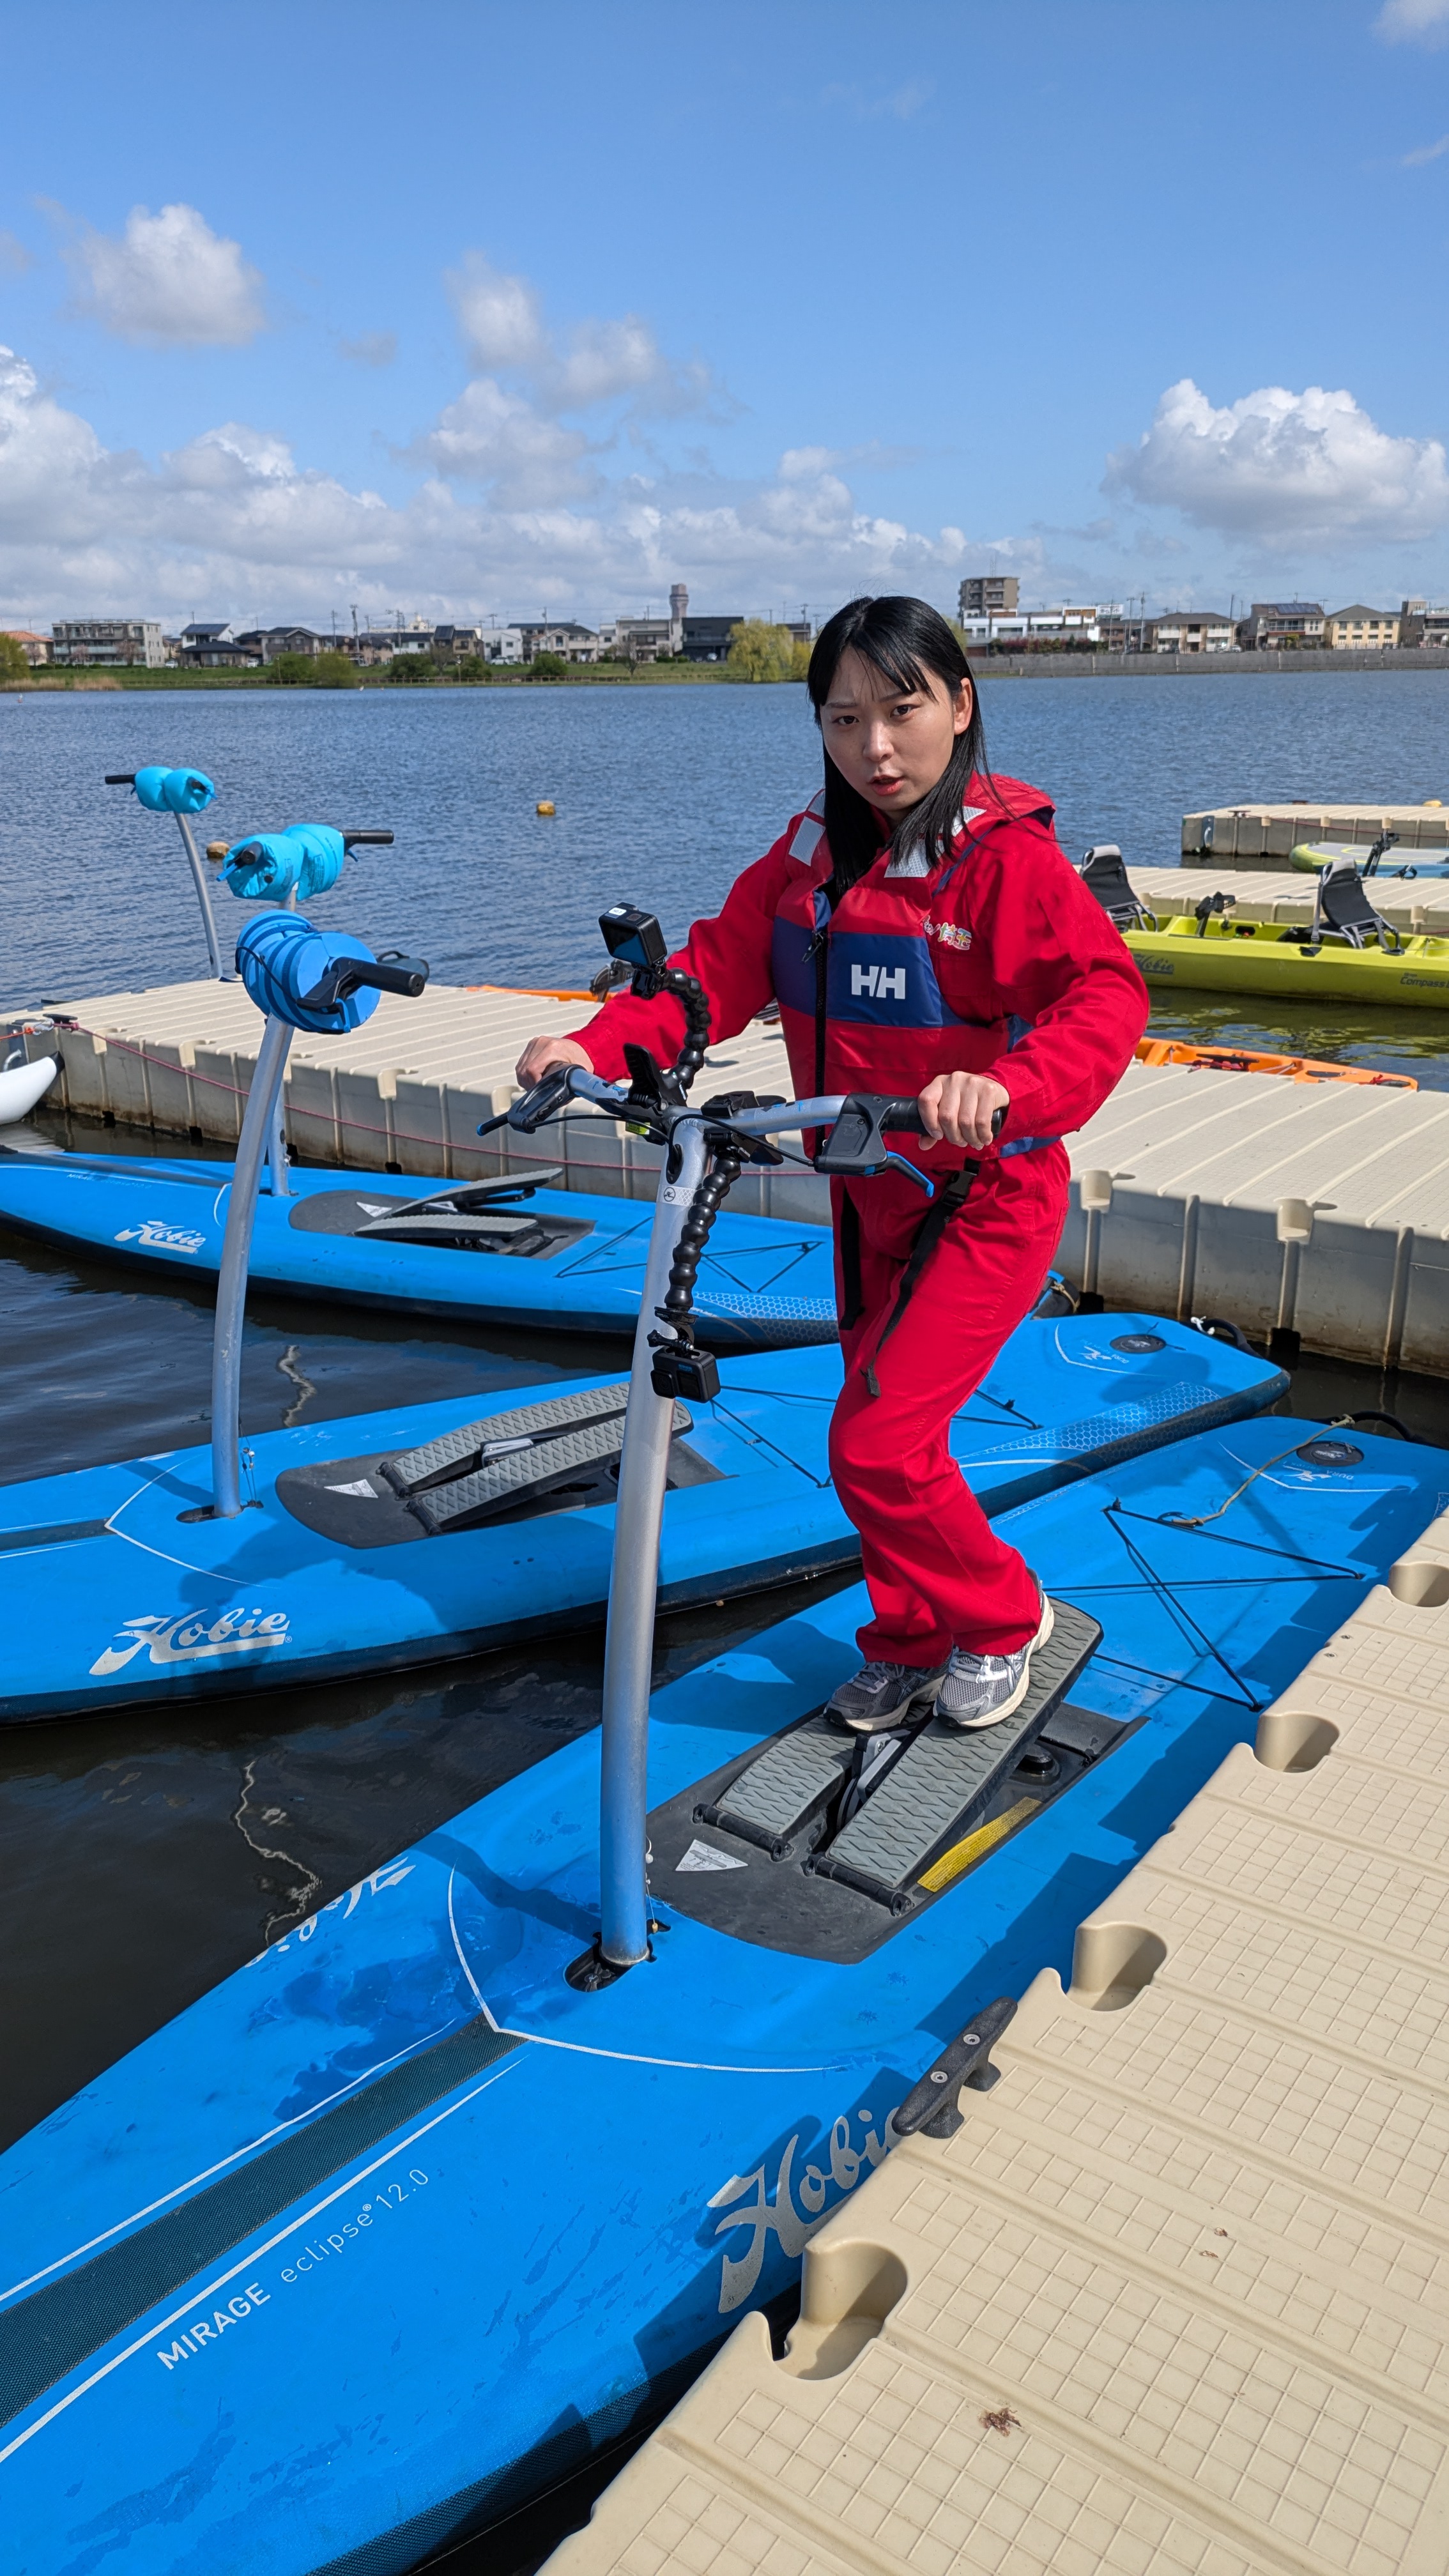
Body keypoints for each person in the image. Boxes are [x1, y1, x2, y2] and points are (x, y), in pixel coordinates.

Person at [516, 594, 1148, 1733]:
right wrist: (590, 1044)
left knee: (879, 1439)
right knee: (869, 1421)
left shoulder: (1005, 868)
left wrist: (1005, 1087)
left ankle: (1005, 1618)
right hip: (868, 1199)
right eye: (844, 719)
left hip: (985, 1196)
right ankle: (908, 1636)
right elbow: (710, 971)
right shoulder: (810, 859)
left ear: (961, 706)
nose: (876, 747)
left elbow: (1104, 997)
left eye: (902, 711)